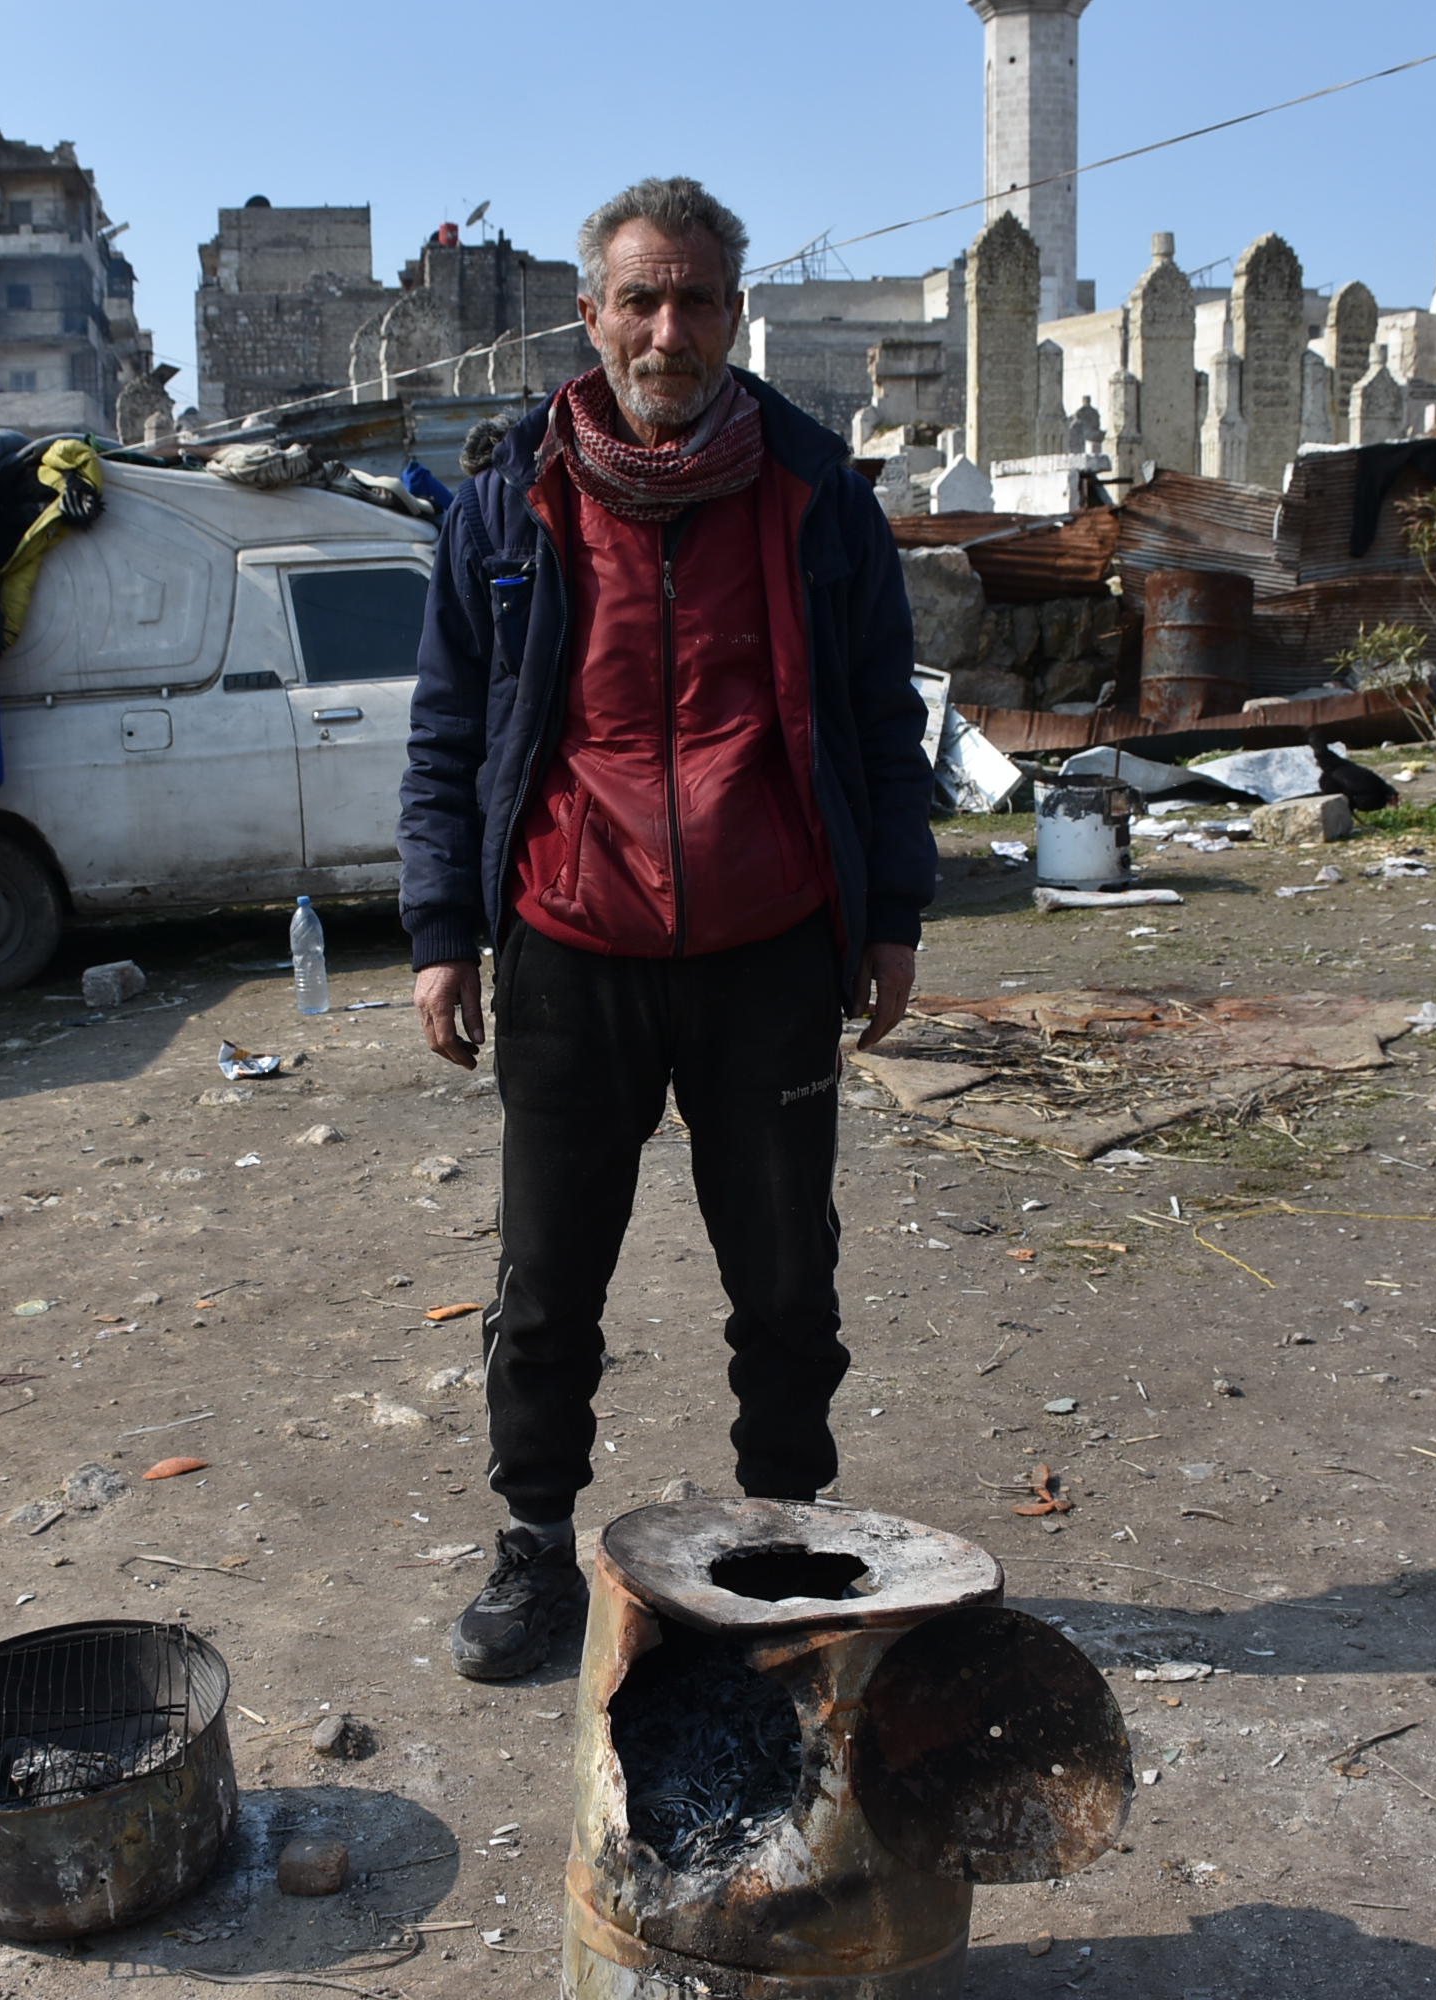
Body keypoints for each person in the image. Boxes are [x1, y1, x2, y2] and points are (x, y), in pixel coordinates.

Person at [396, 176, 936, 1680]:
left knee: (784, 1274)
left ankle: (781, 1541)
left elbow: (880, 724)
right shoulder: (512, 502)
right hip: (571, 943)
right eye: (640, 297)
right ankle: (531, 1552)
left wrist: (891, 914)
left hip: (768, 946)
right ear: (592, 316)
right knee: (549, 1275)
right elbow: (449, 731)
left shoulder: (815, 494)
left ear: (732, 314)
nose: (668, 327)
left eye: (696, 298)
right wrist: (445, 930)